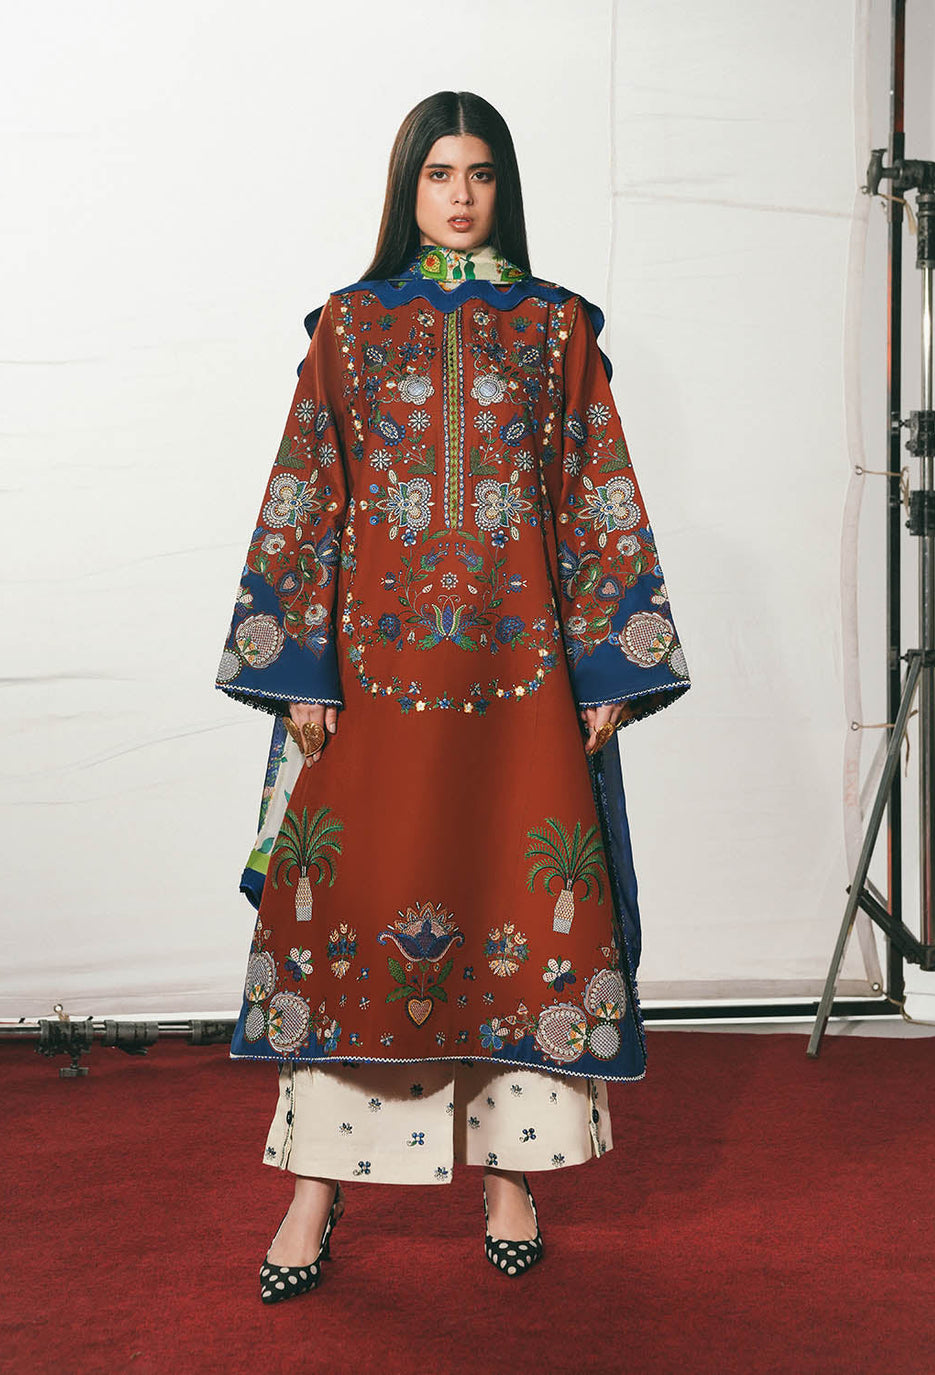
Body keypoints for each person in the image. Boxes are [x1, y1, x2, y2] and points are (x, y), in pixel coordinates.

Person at [215, 91, 690, 1302]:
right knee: (352, 918)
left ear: (503, 186)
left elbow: (592, 493)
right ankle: (312, 1194)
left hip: (519, 682)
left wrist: (607, 668)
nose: (461, 194)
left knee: (510, 908)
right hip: (369, 686)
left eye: (478, 172)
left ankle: (510, 1177)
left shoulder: (553, 327)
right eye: (438, 174)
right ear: (407, 188)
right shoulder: (348, 326)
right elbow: (305, 493)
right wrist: (297, 668)